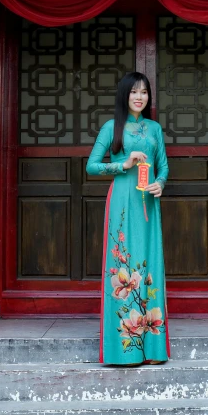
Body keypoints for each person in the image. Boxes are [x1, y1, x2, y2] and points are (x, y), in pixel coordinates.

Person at [86, 72, 170, 366]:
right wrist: (123, 163)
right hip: (122, 201)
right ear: (124, 95)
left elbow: (163, 167)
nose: (139, 97)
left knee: (149, 263)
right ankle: (125, 349)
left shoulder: (154, 129)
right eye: (134, 92)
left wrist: (160, 182)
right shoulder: (112, 128)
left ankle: (153, 347)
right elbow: (92, 167)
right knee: (123, 265)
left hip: (147, 202)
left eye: (144, 92)